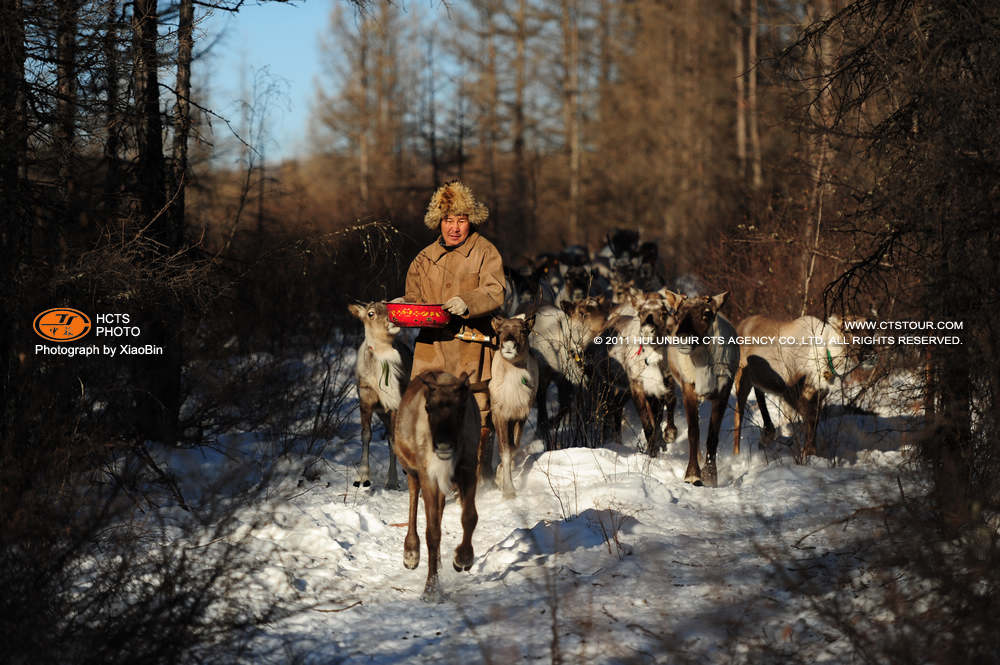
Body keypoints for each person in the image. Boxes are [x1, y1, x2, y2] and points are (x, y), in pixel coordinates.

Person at [401, 181, 506, 472]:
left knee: (476, 409)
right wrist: (402, 309)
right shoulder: (424, 258)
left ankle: (476, 477)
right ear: (439, 222)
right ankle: (430, 474)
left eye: (461, 220)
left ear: (470, 221)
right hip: (431, 348)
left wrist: (468, 302)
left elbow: (496, 290)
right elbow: (413, 298)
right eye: (448, 220)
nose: (455, 227)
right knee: (426, 407)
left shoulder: (485, 252)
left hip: (472, 346)